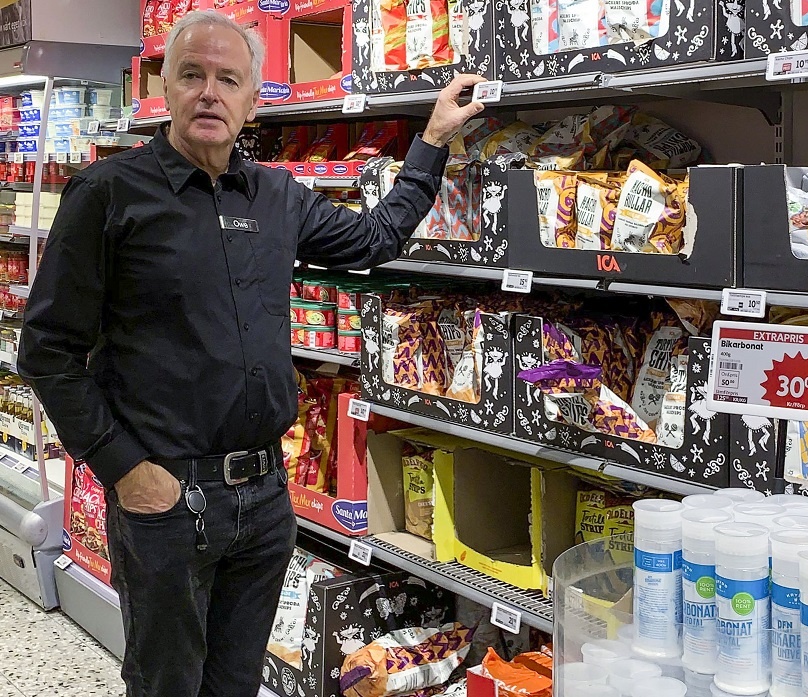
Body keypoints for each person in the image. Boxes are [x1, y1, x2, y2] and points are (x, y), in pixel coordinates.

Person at [17, 10, 485, 697]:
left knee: (235, 682)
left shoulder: (278, 197)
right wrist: (125, 471)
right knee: (166, 683)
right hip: (165, 502)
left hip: (265, 498)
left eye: (228, 78)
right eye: (193, 75)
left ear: (252, 98)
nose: (210, 92)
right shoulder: (109, 194)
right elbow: (47, 350)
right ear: (168, 89)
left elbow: (373, 241)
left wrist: (433, 139)